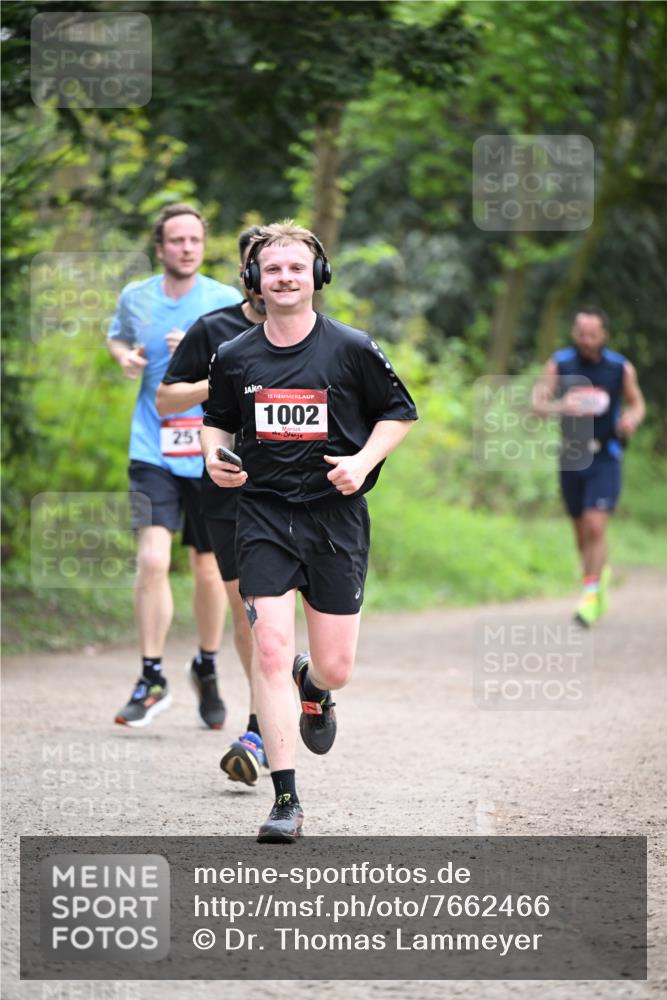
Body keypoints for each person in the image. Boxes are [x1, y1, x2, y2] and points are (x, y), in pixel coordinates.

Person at [201, 221, 418, 843]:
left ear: (316, 276)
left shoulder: (350, 347)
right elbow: (216, 420)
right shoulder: (235, 355)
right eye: (273, 270)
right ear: (255, 281)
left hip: (334, 517)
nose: (285, 278)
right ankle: (286, 801)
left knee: (336, 665)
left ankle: (314, 689)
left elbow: (399, 413)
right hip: (264, 512)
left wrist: (362, 462)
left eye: (296, 267)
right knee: (268, 648)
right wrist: (216, 458)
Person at [107, 203, 242, 727]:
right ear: (160, 247)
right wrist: (123, 355)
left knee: (208, 570)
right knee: (153, 561)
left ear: (203, 247)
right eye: (176, 240)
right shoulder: (136, 297)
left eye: (195, 240)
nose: (186, 248)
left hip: (208, 447)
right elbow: (117, 335)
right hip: (152, 447)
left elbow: (244, 367)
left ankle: (206, 667)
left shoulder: (225, 301)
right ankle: (151, 676)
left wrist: (200, 354)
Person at [155, 226, 268, 786]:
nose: (269, 278)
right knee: (251, 612)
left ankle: (310, 691)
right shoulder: (216, 330)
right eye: (259, 266)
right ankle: (260, 726)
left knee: (311, 634)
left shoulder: (317, 336)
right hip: (228, 491)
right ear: (246, 273)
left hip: (300, 494)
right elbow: (165, 397)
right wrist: (217, 381)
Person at [532, 306, 645, 626]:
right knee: (582, 531)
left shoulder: (620, 368)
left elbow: (637, 403)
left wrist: (631, 419)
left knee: (596, 525)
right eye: (581, 333)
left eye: (593, 334)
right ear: (574, 333)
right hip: (571, 455)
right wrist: (560, 405)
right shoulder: (560, 364)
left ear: (604, 335)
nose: (586, 340)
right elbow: (536, 405)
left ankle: (590, 595)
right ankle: (596, 578)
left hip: (605, 455)